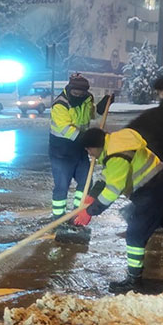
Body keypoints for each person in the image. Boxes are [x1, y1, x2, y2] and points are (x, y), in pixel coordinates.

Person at [72, 127, 163, 292]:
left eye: (89, 149)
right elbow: (108, 176)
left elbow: (113, 189)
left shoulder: (116, 156)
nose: (89, 153)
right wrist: (92, 195)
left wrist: (90, 211)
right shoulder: (117, 142)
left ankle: (133, 280)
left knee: (135, 235)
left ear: (96, 146)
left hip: (151, 193)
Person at [49, 73, 112, 219]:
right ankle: (58, 218)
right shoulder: (60, 104)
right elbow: (66, 130)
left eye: (81, 91)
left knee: (86, 182)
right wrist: (90, 140)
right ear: (70, 88)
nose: (78, 94)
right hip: (61, 151)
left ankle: (77, 213)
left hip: (80, 149)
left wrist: (101, 107)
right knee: (62, 186)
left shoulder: (87, 99)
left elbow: (91, 114)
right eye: (75, 91)